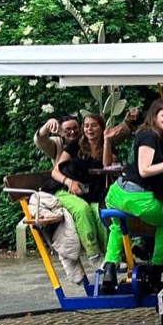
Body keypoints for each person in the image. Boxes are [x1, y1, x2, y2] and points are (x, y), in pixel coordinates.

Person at [101, 100, 163, 292]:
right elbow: (145, 170)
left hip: (116, 193)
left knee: (118, 225)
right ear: (154, 116)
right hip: (136, 197)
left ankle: (109, 267)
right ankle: (156, 268)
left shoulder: (150, 135)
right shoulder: (148, 135)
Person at [49, 114, 114, 270]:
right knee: (82, 210)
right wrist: (69, 182)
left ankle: (109, 258)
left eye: (94, 125)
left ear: (101, 128)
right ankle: (94, 254)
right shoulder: (74, 146)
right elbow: (55, 172)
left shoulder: (107, 145)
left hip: (89, 193)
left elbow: (107, 164)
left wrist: (106, 141)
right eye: (86, 126)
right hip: (65, 189)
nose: (89, 129)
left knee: (100, 214)